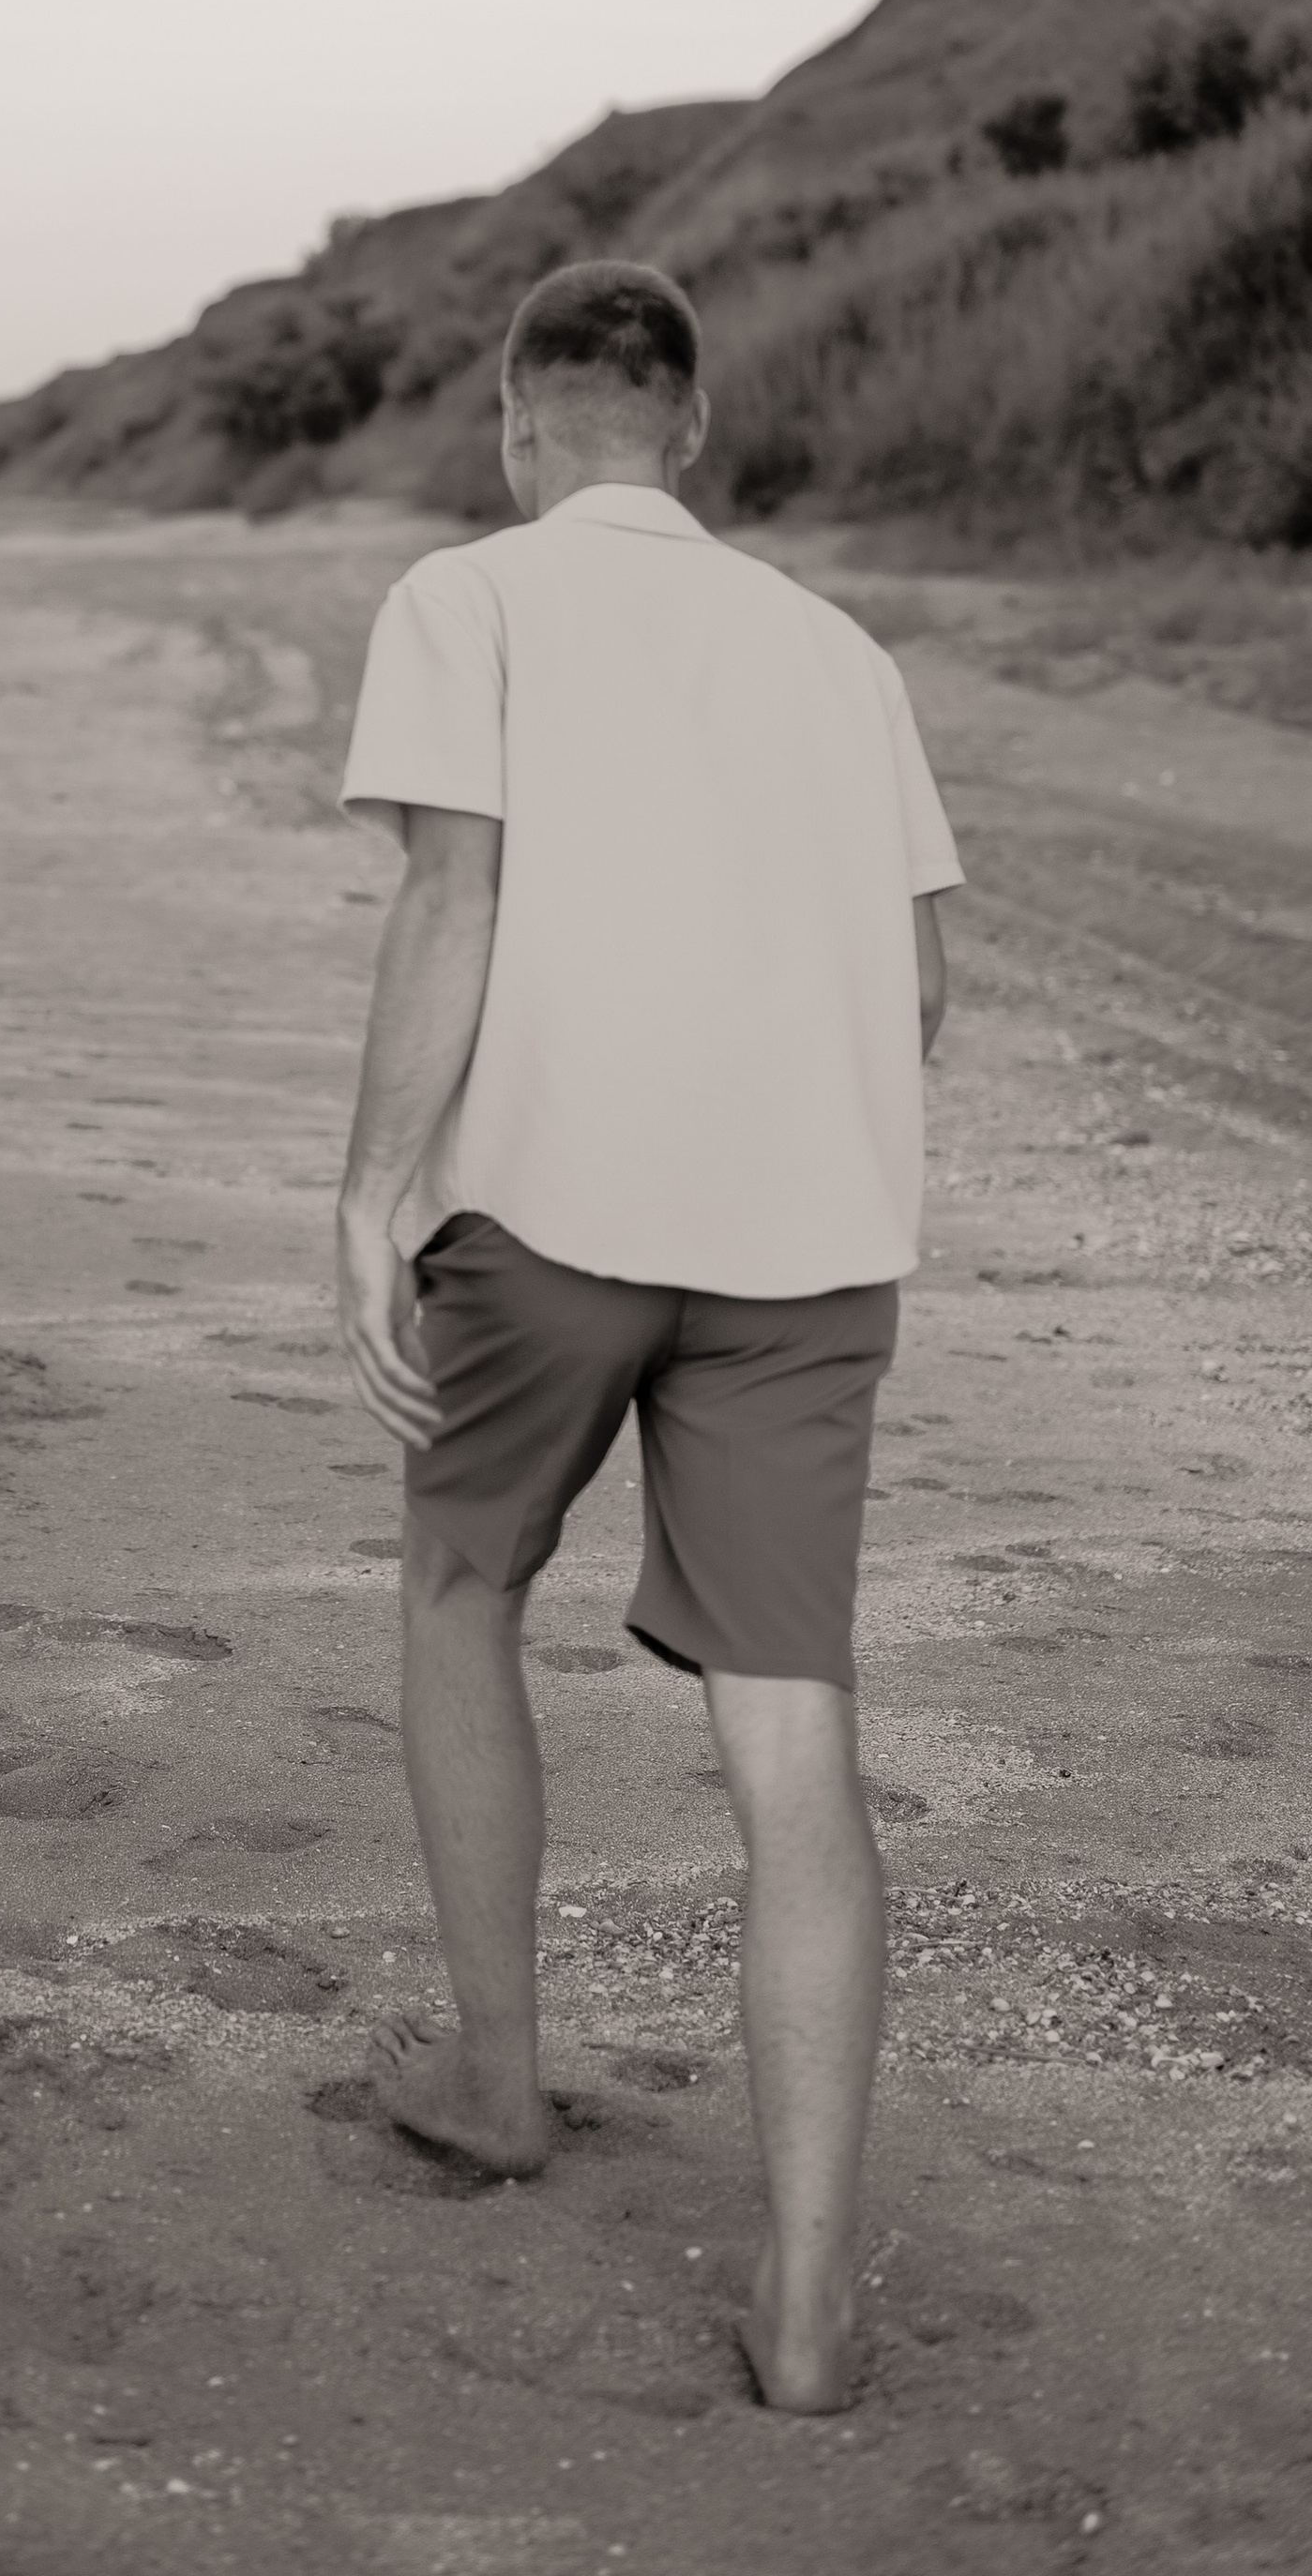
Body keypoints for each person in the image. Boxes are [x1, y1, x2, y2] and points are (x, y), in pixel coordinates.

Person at [334, 259, 960, 2416]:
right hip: (802, 1252)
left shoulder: (467, 599)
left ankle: (500, 2077)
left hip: (551, 1213)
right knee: (795, 1749)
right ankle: (803, 2302)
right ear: (687, 432)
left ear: (520, 421)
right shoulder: (834, 650)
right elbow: (918, 983)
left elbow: (450, 895)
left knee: (454, 1580)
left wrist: (367, 1185)